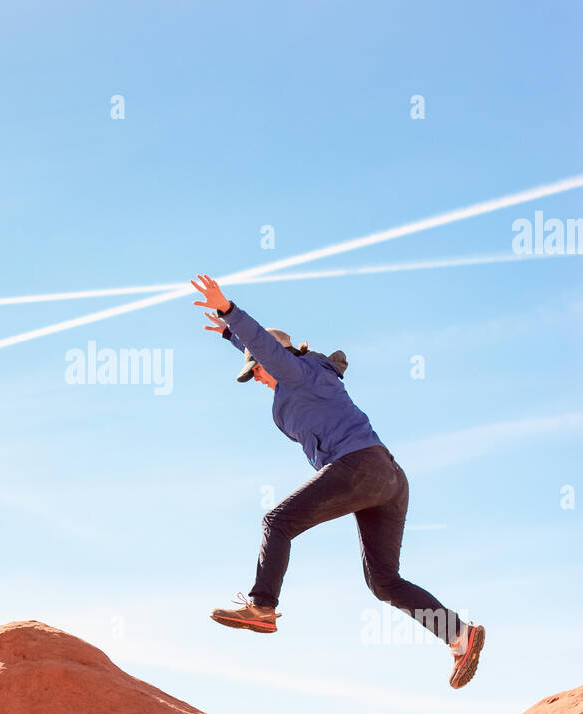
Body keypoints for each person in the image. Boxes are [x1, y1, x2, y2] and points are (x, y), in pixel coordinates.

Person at [191, 274, 485, 689]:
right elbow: (260, 347)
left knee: (277, 522)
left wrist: (229, 311)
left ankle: (262, 606)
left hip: (359, 467)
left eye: (254, 369)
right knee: (384, 582)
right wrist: (229, 335)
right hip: (387, 479)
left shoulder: (296, 372)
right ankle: (459, 635)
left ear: (268, 360)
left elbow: (265, 345)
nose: (254, 376)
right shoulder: (305, 377)